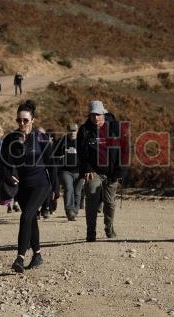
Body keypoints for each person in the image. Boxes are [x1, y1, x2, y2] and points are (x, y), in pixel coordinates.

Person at [1, 100, 58, 273]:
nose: (22, 123)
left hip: (40, 185)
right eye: (19, 120)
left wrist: (56, 189)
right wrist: (8, 176)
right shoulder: (10, 139)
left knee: (25, 217)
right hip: (22, 187)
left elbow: (52, 164)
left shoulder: (41, 139)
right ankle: (38, 255)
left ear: (32, 120)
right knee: (31, 220)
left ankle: (20, 258)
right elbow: (3, 163)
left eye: (25, 120)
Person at [78, 100, 124, 242]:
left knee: (110, 203)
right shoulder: (85, 130)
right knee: (91, 198)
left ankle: (108, 227)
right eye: (92, 115)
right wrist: (86, 169)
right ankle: (90, 232)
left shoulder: (115, 128)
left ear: (103, 114)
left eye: (98, 115)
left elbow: (124, 151)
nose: (95, 118)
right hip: (94, 171)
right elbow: (81, 153)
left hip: (111, 172)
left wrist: (119, 172)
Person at [54, 123, 83, 221]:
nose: (72, 133)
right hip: (66, 171)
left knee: (77, 192)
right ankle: (69, 211)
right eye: (70, 130)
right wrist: (59, 157)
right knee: (68, 189)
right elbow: (54, 154)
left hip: (80, 171)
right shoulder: (62, 141)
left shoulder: (81, 141)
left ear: (77, 131)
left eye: (74, 130)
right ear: (67, 131)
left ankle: (75, 210)